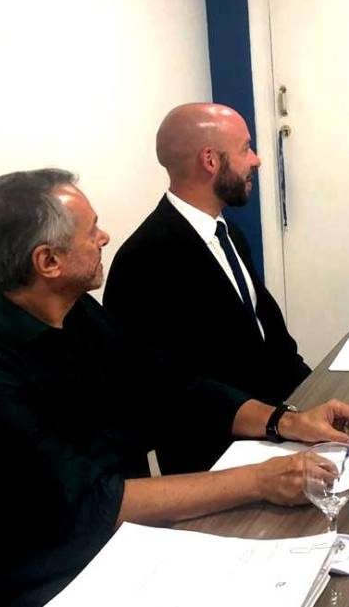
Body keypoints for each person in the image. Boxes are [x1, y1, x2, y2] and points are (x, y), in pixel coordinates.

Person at [0, 169, 349, 607]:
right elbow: (94, 503)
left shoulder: (78, 314)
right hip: (56, 581)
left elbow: (171, 387)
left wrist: (286, 422)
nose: (104, 237)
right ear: (48, 262)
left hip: (133, 546)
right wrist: (262, 480)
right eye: (91, 230)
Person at [104, 103, 312, 473]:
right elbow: (171, 389)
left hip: (276, 429)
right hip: (217, 463)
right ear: (210, 160)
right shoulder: (144, 260)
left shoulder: (228, 234)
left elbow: (270, 341)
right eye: (246, 148)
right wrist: (283, 422)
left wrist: (317, 397)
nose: (257, 160)